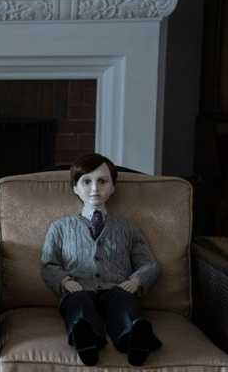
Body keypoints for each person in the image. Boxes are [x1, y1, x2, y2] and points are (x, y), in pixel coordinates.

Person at [40, 153, 162, 366]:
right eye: (86, 181)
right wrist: (65, 281)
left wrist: (136, 280)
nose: (95, 188)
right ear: (75, 188)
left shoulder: (127, 227)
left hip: (117, 289)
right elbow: (48, 264)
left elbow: (149, 264)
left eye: (102, 181)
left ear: (113, 187)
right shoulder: (60, 227)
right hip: (79, 289)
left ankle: (135, 338)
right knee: (79, 306)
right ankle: (86, 340)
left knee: (124, 304)